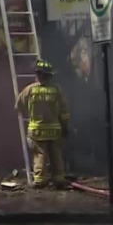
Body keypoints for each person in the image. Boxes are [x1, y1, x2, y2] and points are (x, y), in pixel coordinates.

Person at [16, 60, 71, 189]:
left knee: (40, 154)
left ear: (37, 75)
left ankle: (40, 180)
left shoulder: (29, 89)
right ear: (50, 76)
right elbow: (64, 110)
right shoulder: (57, 90)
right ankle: (58, 178)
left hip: (37, 130)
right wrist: (66, 126)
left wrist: (30, 111)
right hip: (54, 130)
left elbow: (18, 106)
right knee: (56, 154)